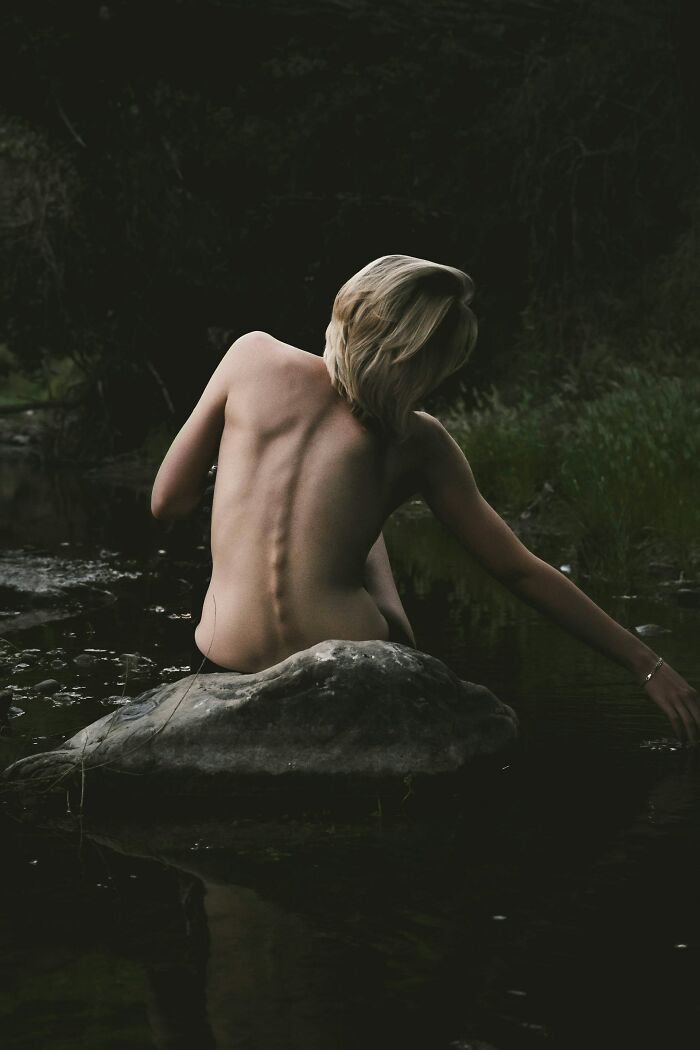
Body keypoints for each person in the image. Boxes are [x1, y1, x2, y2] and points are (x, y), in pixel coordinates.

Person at [151, 254, 700, 744]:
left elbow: (167, 502)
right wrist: (645, 664)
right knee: (369, 534)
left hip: (226, 656)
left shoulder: (251, 358)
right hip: (355, 664)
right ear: (427, 365)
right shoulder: (420, 442)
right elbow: (519, 571)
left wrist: (237, 480)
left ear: (347, 313)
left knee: (345, 527)